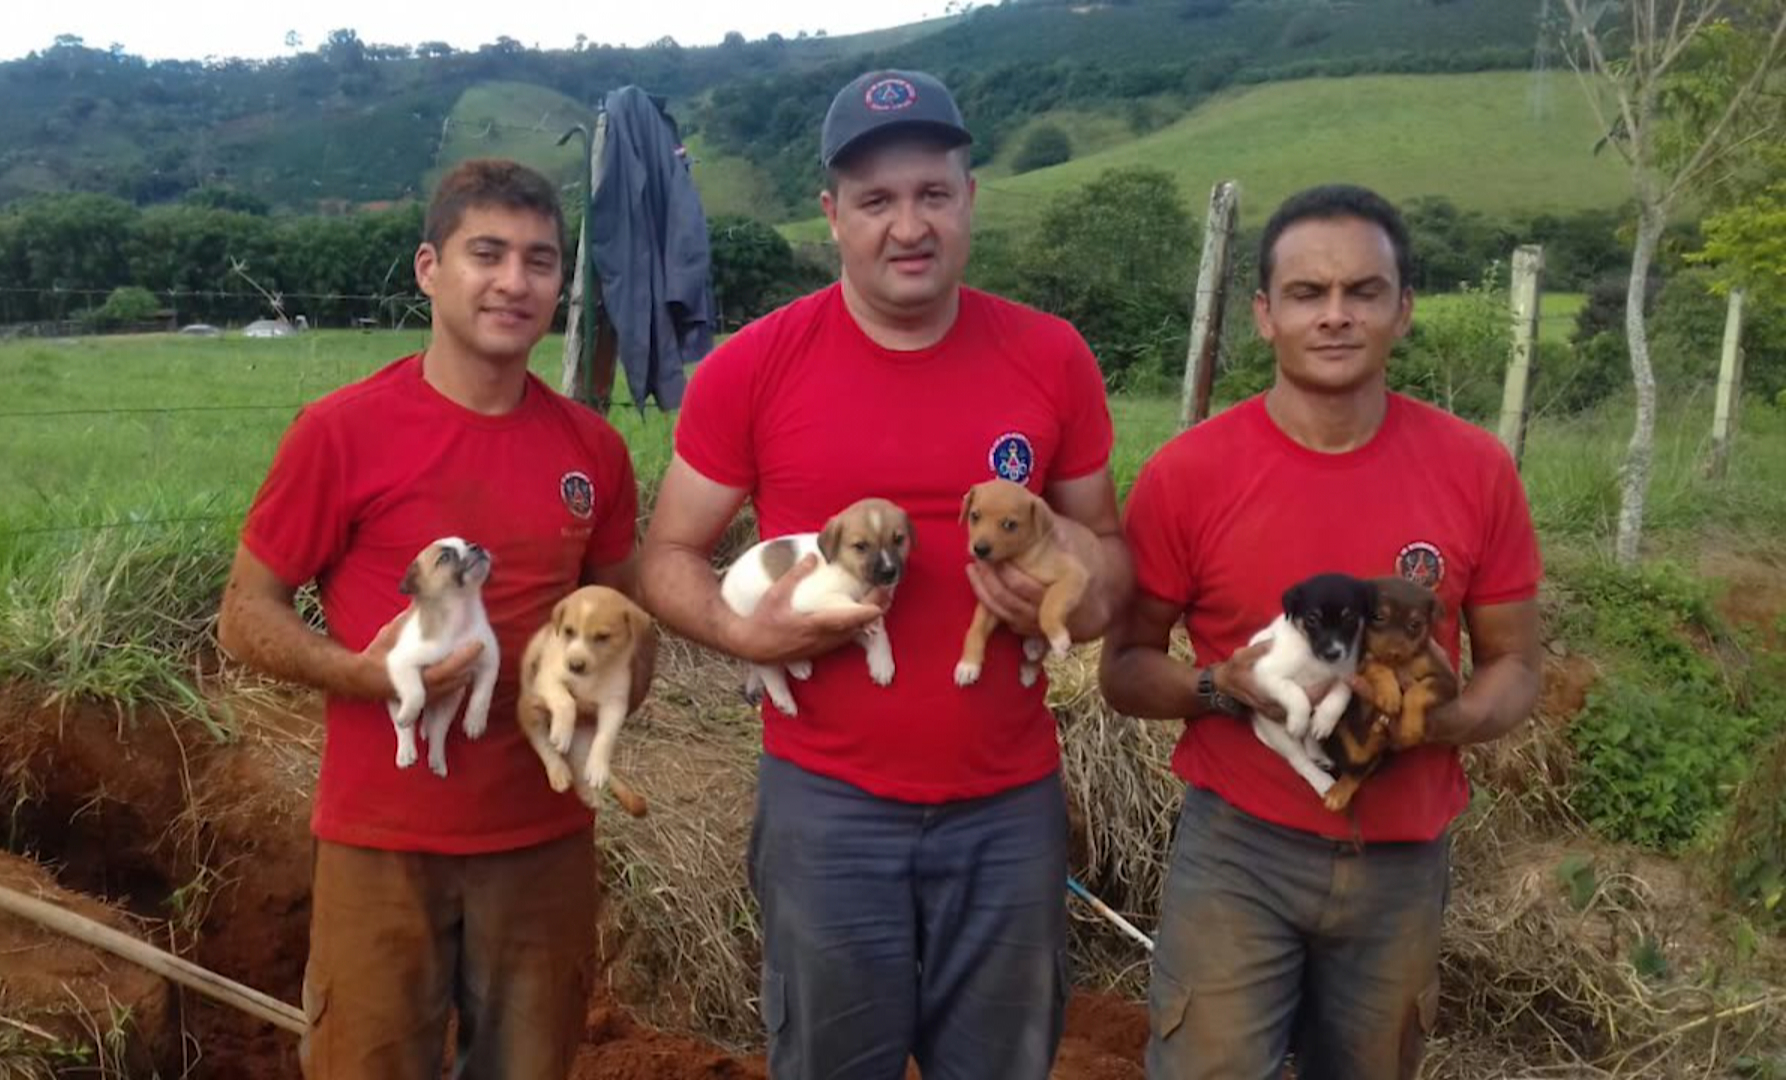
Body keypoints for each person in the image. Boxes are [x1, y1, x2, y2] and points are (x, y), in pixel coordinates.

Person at [635, 68, 1133, 1079]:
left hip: (1007, 806)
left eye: (932, 194)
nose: (908, 226)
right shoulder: (754, 365)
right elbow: (668, 556)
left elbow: (1115, 562)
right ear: (831, 216)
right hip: (827, 806)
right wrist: (742, 635)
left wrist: (1076, 579)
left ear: (968, 200)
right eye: (875, 201)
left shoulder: (1052, 358)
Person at [215, 158, 649, 1080]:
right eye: (485, 253)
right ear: (428, 269)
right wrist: (365, 676)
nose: (513, 282)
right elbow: (244, 614)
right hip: (383, 842)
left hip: (542, 840)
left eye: (539, 260)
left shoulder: (594, 451)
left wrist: (607, 695)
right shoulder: (342, 432)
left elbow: (629, 621)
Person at [1098, 183, 1543, 1079]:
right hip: (1239, 852)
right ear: (1264, 314)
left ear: (1403, 309)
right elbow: (1125, 669)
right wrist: (1220, 685)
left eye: (1363, 291)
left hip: (1402, 859)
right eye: (1307, 293)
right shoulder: (1190, 474)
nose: (1335, 316)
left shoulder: (1475, 469)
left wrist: (1443, 723)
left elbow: (1517, 664)